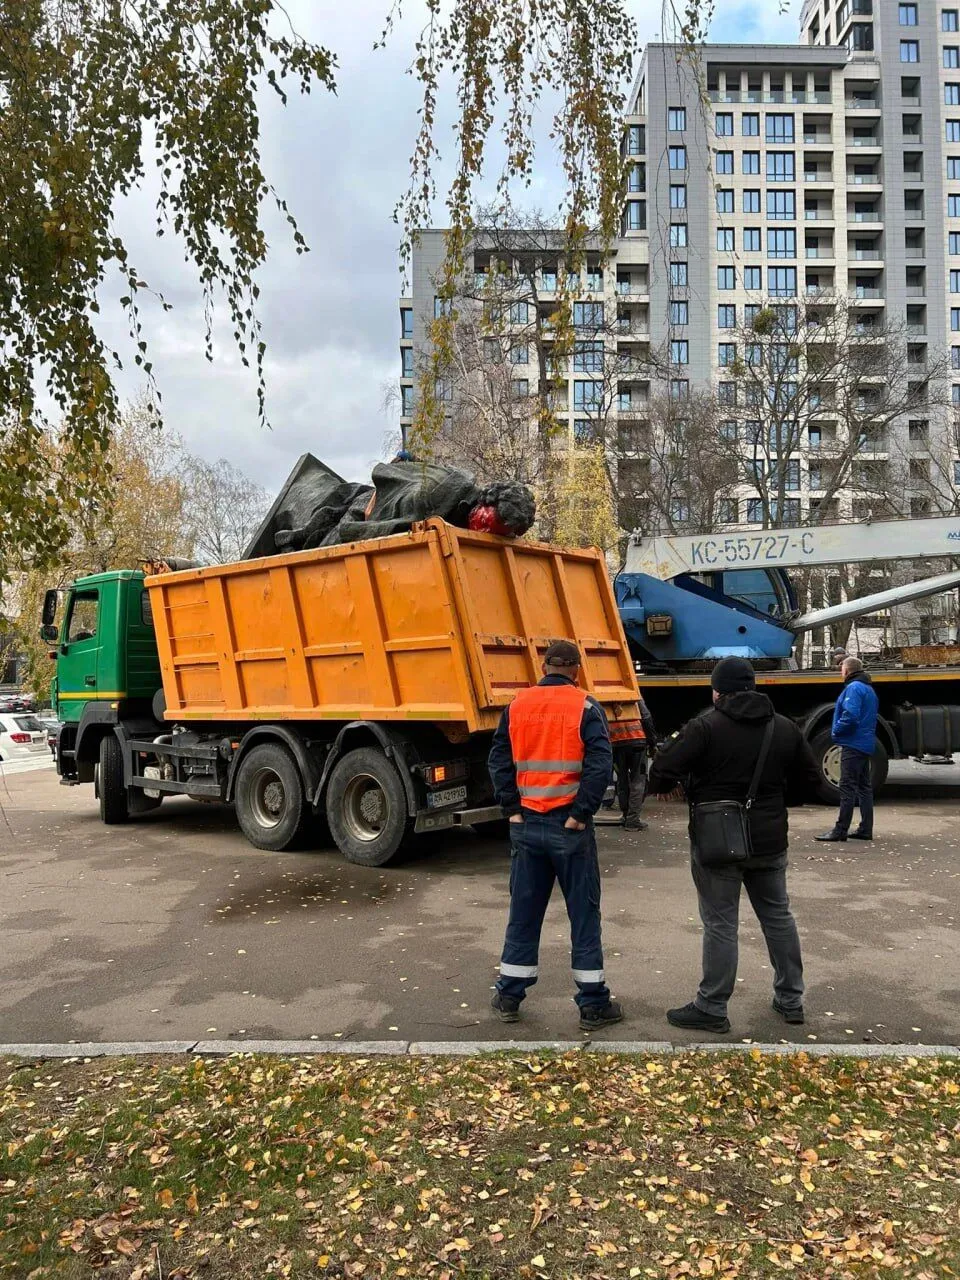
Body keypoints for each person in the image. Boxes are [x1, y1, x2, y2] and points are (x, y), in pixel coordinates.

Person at [648, 656, 823, 1034]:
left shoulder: (704, 727)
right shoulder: (784, 728)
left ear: (717, 692)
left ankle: (712, 1006)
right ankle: (791, 1000)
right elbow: (812, 781)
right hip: (770, 841)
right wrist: (775, 803)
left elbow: (660, 772)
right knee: (778, 917)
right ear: (754, 687)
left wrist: (682, 786)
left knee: (721, 923)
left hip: (716, 841)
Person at [487, 639, 622, 1031]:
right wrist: (581, 813)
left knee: (524, 913)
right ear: (576, 669)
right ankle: (593, 1005)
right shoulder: (585, 706)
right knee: (583, 913)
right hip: (569, 827)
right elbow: (601, 763)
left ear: (543, 666)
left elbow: (498, 759)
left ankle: (509, 995)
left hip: (527, 824)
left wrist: (511, 808)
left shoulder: (517, 705)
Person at [816, 656, 879, 843]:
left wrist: (836, 731)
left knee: (847, 787)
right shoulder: (868, 689)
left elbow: (850, 715)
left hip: (853, 743)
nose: (840, 671)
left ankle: (840, 830)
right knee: (864, 788)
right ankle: (865, 829)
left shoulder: (853, 688)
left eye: (841, 668)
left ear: (847, 670)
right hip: (865, 743)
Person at [610, 696, 657, 830]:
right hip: (637, 742)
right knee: (638, 780)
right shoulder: (633, 694)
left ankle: (626, 816)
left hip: (616, 743)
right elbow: (646, 717)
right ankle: (633, 820)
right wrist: (653, 742)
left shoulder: (606, 695)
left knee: (622, 779)